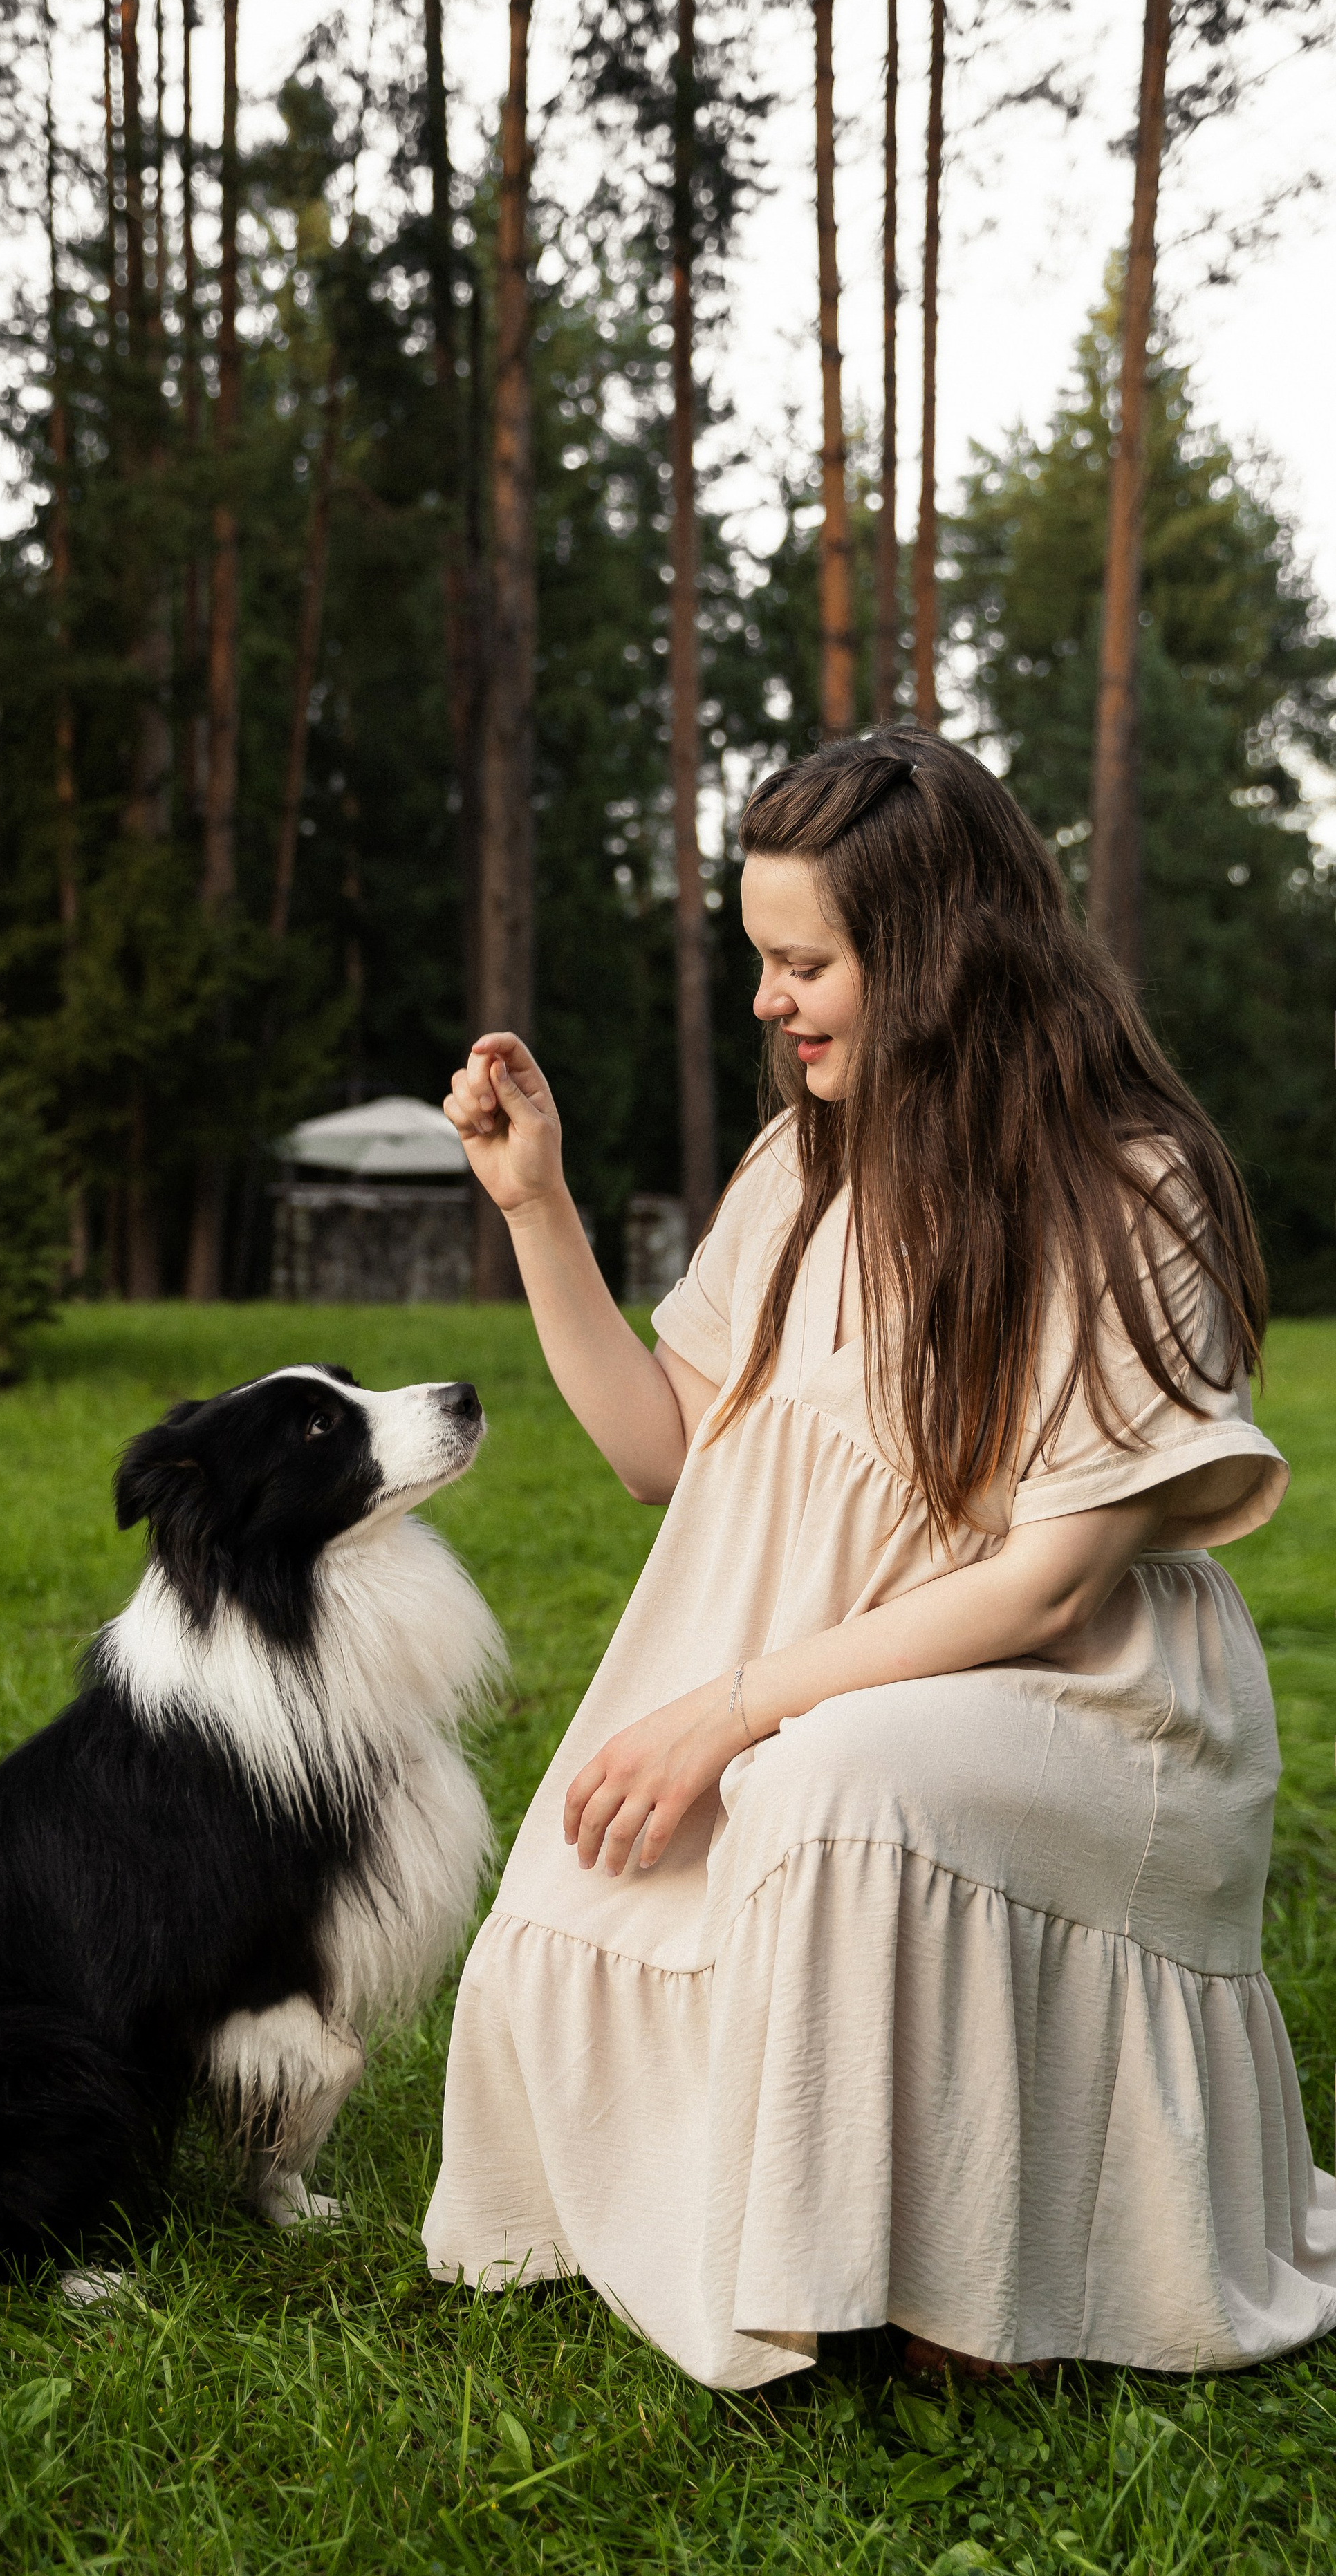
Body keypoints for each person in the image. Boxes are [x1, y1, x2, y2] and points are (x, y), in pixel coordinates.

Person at [422, 729, 1336, 2389]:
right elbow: (655, 1449)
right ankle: (820, 2256)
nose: (768, 1000)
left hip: (1091, 1707)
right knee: (603, 1879)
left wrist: (734, 1707)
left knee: (833, 1783)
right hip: (842, 1675)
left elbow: (1054, 1584)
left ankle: (945, 2289)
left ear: (933, 957)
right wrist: (533, 1206)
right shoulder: (803, 1168)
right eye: (759, 959)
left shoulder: (1128, 1190)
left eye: (802, 961)